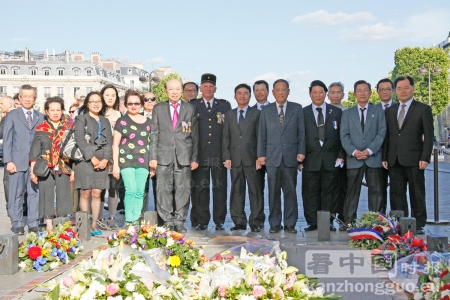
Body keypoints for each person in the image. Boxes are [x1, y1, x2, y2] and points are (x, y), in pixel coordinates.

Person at [382, 76, 433, 235]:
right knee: (396, 193)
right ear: (395, 91)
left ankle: (419, 223)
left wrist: (425, 157)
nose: (402, 91)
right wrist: (385, 157)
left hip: (415, 159)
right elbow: (388, 136)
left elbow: (429, 136)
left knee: (416, 192)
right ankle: (398, 222)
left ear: (413, 88)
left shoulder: (423, 109)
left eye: (406, 87)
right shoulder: (390, 111)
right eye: (399, 88)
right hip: (394, 159)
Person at [150, 79, 199, 233]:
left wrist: (195, 157)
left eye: (178, 89)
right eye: (171, 89)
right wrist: (153, 157)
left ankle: (179, 221)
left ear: (182, 91)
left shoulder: (190, 109)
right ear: (166, 91)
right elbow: (154, 134)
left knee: (183, 190)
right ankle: (167, 221)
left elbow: (195, 135)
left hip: (184, 156)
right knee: (163, 189)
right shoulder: (158, 109)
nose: (175, 92)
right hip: (163, 156)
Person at [257, 79, 305, 234]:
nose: (281, 92)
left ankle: (290, 224)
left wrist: (301, 151)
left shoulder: (297, 109)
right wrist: (261, 155)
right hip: (272, 158)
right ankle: (274, 224)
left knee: (290, 192)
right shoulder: (266, 110)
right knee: (273, 193)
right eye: (277, 90)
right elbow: (261, 134)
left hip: (291, 157)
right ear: (273, 92)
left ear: (288, 91)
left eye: (283, 89)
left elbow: (302, 133)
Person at [189, 73, 231, 231]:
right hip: (199, 155)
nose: (208, 89)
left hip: (219, 154)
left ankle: (219, 220)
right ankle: (202, 220)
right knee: (201, 189)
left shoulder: (224, 105)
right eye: (205, 86)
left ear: (215, 88)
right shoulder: (193, 105)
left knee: (220, 188)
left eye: (211, 86)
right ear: (200, 88)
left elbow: (228, 131)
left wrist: (228, 155)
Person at [340, 80, 386, 226]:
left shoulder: (378, 112)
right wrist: (354, 152)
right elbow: (344, 136)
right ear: (354, 94)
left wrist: (369, 150)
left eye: (365, 90)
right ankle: (349, 220)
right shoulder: (347, 113)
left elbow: (381, 133)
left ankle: (376, 220)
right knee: (352, 192)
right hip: (354, 159)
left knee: (376, 191)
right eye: (359, 90)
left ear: (370, 93)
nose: (362, 93)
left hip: (373, 158)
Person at [300, 80, 344, 232]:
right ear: (310, 94)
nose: (318, 95)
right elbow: (300, 136)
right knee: (310, 192)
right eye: (314, 92)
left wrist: (341, 155)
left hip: (331, 160)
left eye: (321, 92)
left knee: (329, 193)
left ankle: (328, 221)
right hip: (310, 159)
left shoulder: (336, 112)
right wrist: (300, 157)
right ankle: (312, 222)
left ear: (326, 94)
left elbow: (341, 136)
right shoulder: (303, 112)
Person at [3, 84, 45, 234]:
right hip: (16, 161)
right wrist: (8, 161)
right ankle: (17, 222)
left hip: (35, 163)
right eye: (24, 96)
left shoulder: (40, 117)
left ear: (35, 98)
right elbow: (7, 139)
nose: (28, 99)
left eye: (30, 96)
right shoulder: (12, 116)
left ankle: (33, 222)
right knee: (16, 193)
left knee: (34, 192)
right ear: (19, 98)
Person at [223, 83, 264, 232]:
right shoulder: (229, 115)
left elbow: (260, 137)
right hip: (235, 159)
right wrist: (226, 157)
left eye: (245, 93)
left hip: (253, 159)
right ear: (235, 96)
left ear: (250, 96)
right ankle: (239, 221)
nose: (242, 96)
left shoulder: (257, 114)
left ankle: (256, 221)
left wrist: (260, 156)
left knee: (255, 191)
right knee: (236, 191)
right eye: (239, 93)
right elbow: (226, 137)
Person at [29, 97, 74, 231]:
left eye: (58, 110)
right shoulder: (41, 128)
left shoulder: (68, 128)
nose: (55, 112)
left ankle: (62, 223)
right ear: (46, 111)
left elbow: (73, 151)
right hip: (45, 166)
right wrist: (33, 171)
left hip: (63, 165)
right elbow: (35, 151)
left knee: (64, 194)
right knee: (46, 194)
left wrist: (73, 171)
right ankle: (49, 224)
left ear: (62, 111)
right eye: (52, 110)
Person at [74, 91, 112, 236]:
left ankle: (94, 224)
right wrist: (92, 158)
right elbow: (80, 140)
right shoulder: (81, 119)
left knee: (97, 193)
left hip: (102, 161)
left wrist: (105, 159)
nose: (96, 104)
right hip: (85, 161)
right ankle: (85, 225)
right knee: (86, 192)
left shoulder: (105, 120)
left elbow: (109, 141)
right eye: (92, 101)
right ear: (87, 104)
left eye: (98, 101)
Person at [112, 90, 152, 225]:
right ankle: (129, 221)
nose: (133, 106)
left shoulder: (149, 122)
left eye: (136, 103)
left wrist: (152, 163)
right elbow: (115, 144)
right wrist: (115, 166)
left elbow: (152, 144)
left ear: (141, 104)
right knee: (131, 190)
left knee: (140, 191)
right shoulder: (122, 121)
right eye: (130, 103)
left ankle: (136, 221)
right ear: (126, 104)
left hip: (144, 161)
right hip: (125, 161)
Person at [99, 84, 122, 229]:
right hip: (100, 155)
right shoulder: (97, 113)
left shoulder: (119, 115)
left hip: (115, 155)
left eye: (113, 95)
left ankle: (112, 217)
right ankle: (99, 216)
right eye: (107, 95)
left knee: (114, 187)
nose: (110, 97)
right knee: (99, 188)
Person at [327, 82, 347, 229]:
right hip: (328, 159)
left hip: (345, 158)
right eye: (332, 92)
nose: (335, 95)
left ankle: (343, 218)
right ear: (328, 95)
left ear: (343, 95)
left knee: (344, 190)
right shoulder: (324, 112)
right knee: (329, 190)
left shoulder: (348, 112)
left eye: (338, 92)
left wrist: (342, 155)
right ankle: (328, 219)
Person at [141, 91, 162, 225]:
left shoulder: (161, 115)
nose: (149, 101)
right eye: (146, 99)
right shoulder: (136, 116)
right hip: (141, 157)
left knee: (159, 189)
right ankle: (141, 218)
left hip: (158, 157)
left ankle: (159, 219)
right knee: (142, 190)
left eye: (152, 99)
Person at [252, 80, 270, 228]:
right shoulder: (250, 111)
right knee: (257, 191)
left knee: (275, 190)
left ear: (268, 92)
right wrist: (258, 156)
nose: (259, 92)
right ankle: (257, 220)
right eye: (256, 90)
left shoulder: (276, 109)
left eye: (262, 90)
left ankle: (276, 221)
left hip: (274, 157)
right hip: (255, 158)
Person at [375, 78, 395, 214]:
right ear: (377, 92)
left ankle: (397, 219)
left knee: (396, 190)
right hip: (377, 155)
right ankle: (379, 218)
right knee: (379, 189)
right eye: (382, 89)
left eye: (388, 89)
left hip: (395, 155)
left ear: (392, 91)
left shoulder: (401, 108)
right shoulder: (372, 109)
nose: (385, 92)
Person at [0, 96, 16, 213]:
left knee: (8, 182)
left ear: (10, 105)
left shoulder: (8, 117)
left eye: (1, 103)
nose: (0, 106)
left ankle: (11, 207)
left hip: (11, 155)